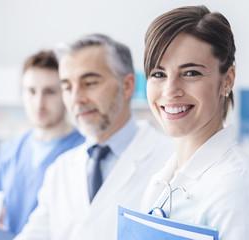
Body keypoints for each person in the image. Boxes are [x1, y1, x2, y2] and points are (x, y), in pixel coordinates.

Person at [140, 5, 249, 239]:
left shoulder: (242, 189)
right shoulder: (162, 181)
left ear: (227, 80)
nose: (170, 90)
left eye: (191, 73)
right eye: (159, 74)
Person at [14, 34, 174, 240]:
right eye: (67, 87)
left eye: (89, 83)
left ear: (127, 86)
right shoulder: (60, 170)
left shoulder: (171, 161)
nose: (75, 99)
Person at [0, 50, 85, 235]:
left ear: (66, 93)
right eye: (31, 91)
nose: (39, 102)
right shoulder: (10, 150)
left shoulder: (85, 151)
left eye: (49, 92)